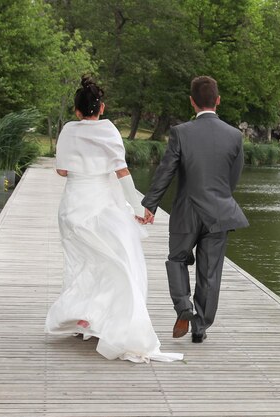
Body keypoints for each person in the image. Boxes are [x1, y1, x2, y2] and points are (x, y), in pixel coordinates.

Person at [45, 76, 182, 363]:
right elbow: (122, 172)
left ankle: (84, 319)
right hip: (103, 206)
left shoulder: (68, 130)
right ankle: (101, 320)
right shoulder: (109, 131)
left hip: (73, 208)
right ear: (102, 107)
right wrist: (139, 207)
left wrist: (83, 167)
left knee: (80, 263)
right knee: (117, 261)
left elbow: (61, 171)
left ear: (77, 110)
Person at [141, 75, 249, 343]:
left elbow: (166, 171)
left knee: (176, 259)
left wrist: (150, 204)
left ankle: (184, 308)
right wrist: (221, 199)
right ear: (218, 101)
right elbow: (233, 177)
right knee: (210, 272)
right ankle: (200, 327)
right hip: (220, 211)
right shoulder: (235, 135)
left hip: (186, 211)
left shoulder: (181, 132)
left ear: (192, 102)